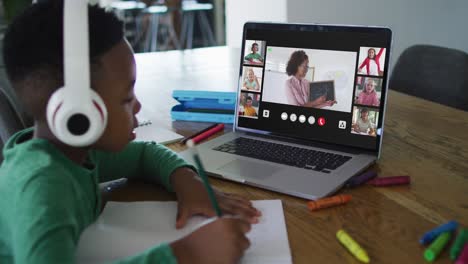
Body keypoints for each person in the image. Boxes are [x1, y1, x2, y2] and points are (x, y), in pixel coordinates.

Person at [0, 2, 260, 264]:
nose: (137, 106)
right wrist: (186, 254)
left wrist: (188, 182)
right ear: (78, 114)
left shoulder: (73, 153)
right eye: (126, 98)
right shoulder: (42, 189)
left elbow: (144, 155)